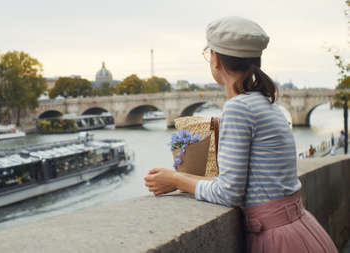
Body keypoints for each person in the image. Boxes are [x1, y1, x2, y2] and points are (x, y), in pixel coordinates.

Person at [144, 16, 337, 253]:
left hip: (275, 239)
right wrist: (182, 182)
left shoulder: (239, 108)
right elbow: (239, 184)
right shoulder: (265, 104)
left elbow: (229, 193)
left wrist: (175, 179)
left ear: (215, 59)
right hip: (299, 228)